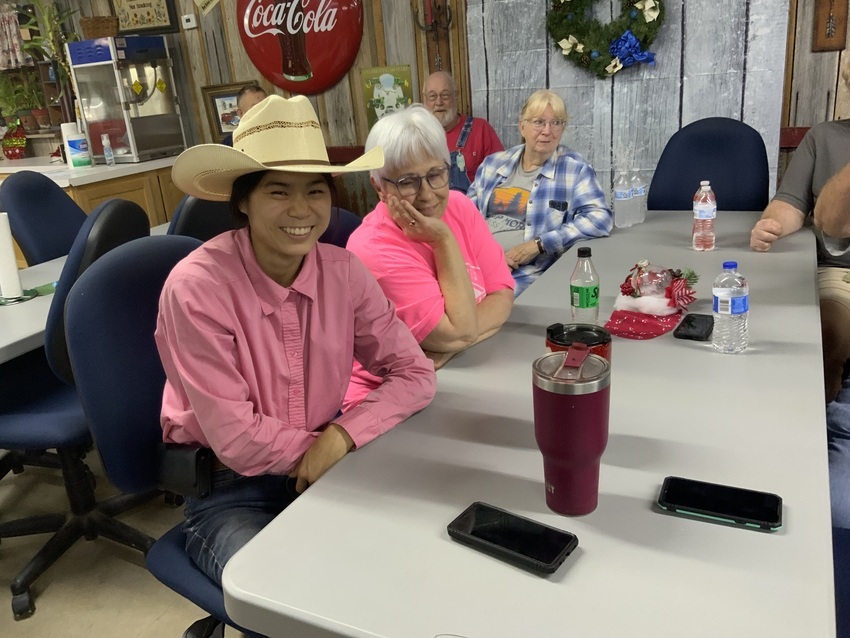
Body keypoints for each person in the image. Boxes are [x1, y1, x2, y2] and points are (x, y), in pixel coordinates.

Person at [158, 95, 437, 587]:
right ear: (242, 201)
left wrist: (341, 436)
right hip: (230, 489)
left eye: (315, 191)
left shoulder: (344, 273)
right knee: (292, 592)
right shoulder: (198, 288)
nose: (301, 210)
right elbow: (238, 439)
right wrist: (327, 448)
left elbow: (415, 372)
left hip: (330, 461)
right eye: (278, 191)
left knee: (409, 563)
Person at [344, 104, 514, 406]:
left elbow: (502, 295)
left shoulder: (460, 206)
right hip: (387, 399)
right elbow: (458, 332)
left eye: (436, 174)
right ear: (379, 187)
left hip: (458, 372)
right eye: (407, 182)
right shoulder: (372, 248)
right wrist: (442, 240)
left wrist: (455, 344)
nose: (426, 195)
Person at [467, 89, 612, 296]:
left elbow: (600, 218)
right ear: (522, 126)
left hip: (525, 273)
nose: (547, 131)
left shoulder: (574, 170)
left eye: (556, 123)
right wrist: (489, 258)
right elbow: (464, 220)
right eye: (538, 122)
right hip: (477, 265)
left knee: (480, 303)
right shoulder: (493, 165)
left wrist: (540, 244)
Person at [749, 119, 850, 403]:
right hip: (838, 270)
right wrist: (771, 225)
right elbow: (791, 202)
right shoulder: (824, 136)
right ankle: (818, 410)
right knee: (825, 330)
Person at [422, 71, 503, 192]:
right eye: (432, 96)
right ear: (424, 99)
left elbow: (501, 177)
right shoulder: (417, 136)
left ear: (455, 95)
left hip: (471, 203)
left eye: (445, 95)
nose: (439, 102)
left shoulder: (480, 129)